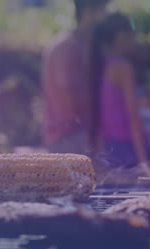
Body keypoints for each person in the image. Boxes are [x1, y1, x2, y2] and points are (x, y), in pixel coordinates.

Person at [41, 0, 108, 154]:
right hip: (67, 138)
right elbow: (69, 103)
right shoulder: (66, 47)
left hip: (80, 135)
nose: (105, 17)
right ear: (88, 10)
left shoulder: (82, 44)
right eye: (103, 10)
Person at [92, 13, 150, 169]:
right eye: (132, 31)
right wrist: (144, 161)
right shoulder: (122, 68)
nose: (135, 36)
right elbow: (133, 116)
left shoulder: (99, 64)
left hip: (108, 146)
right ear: (120, 36)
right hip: (125, 147)